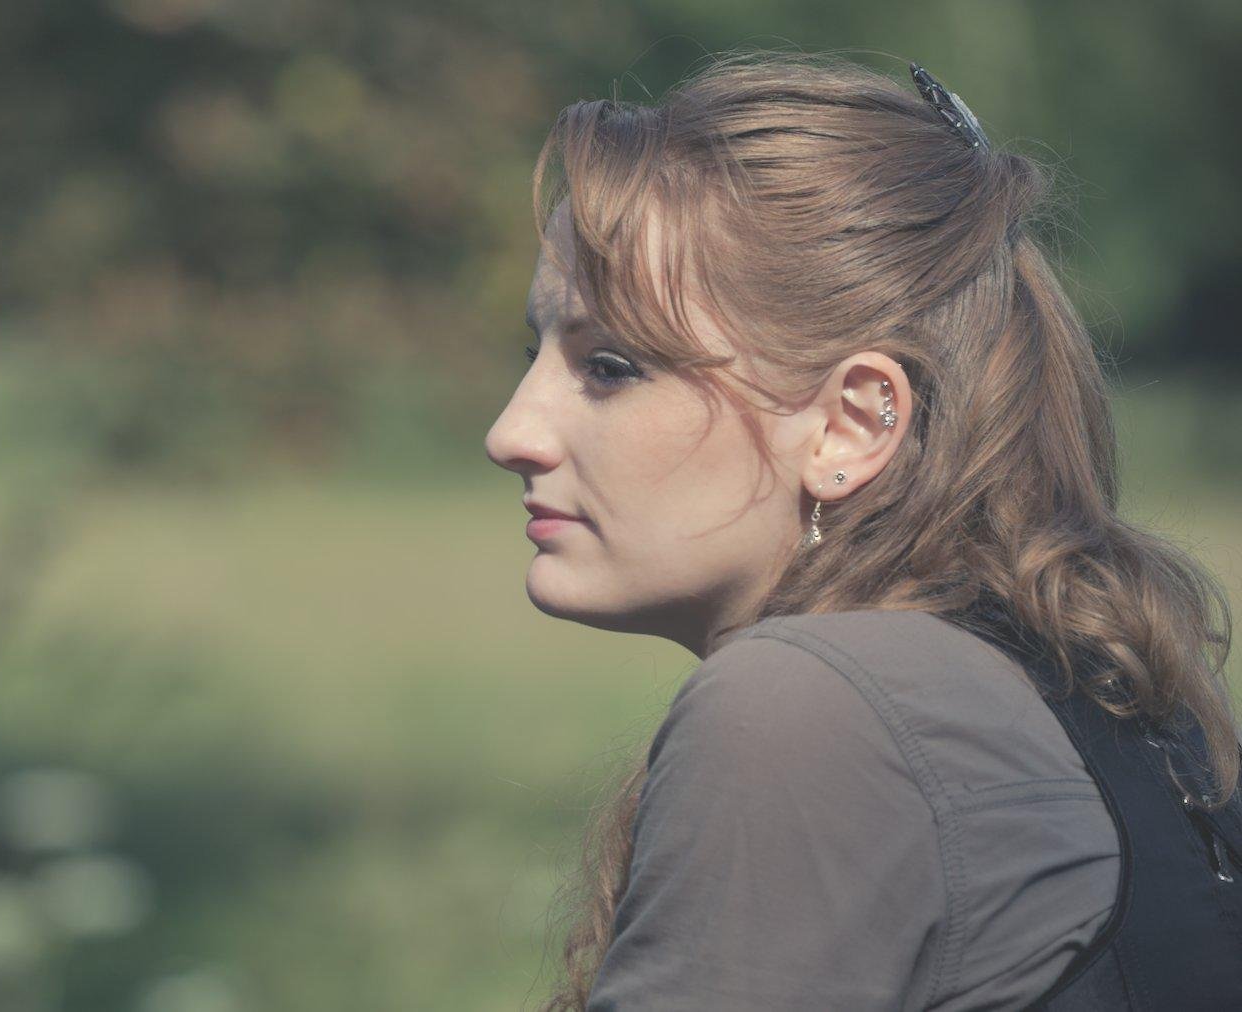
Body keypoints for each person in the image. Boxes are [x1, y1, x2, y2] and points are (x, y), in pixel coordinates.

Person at [484, 50, 1242, 1011]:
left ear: (852, 425)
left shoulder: (806, 708)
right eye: (535, 353)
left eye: (610, 367)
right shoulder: (1091, 687)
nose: (511, 432)